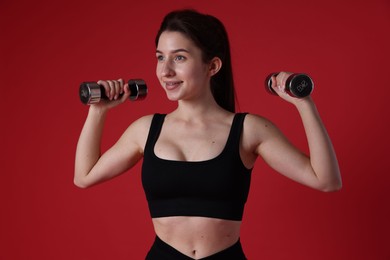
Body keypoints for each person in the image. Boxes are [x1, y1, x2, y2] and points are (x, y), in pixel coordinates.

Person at [74, 9, 342, 260]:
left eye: (179, 57)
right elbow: (84, 177)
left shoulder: (248, 129)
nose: (165, 70)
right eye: (160, 57)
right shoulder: (145, 130)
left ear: (212, 66)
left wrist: (304, 103)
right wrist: (98, 111)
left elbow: (326, 180)